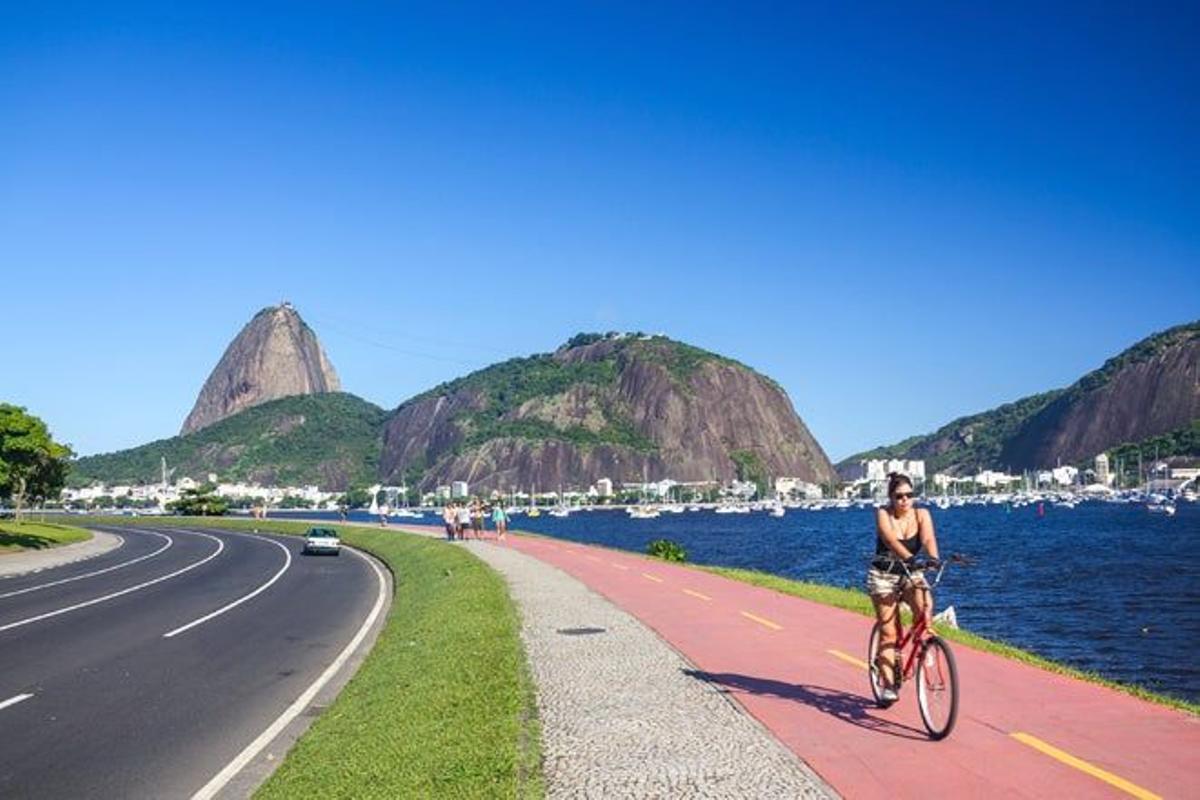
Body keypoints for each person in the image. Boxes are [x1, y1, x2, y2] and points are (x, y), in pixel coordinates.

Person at [867, 472, 940, 703]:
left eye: (909, 495)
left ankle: (924, 643)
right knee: (890, 633)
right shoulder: (883, 514)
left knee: (925, 604)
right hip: (883, 575)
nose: (905, 500)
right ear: (891, 497)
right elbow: (890, 540)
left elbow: (928, 540)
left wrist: (933, 559)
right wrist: (910, 558)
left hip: (910, 571)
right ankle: (888, 684)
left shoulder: (922, 514)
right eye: (899, 496)